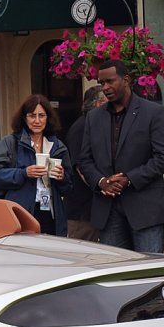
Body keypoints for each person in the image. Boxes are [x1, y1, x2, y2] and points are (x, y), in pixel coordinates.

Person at [78, 59, 164, 253]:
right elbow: (85, 160)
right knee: (115, 274)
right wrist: (101, 181)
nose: (105, 87)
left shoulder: (153, 112)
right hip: (108, 209)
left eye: (110, 81)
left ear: (126, 80)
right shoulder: (93, 117)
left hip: (145, 209)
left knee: (149, 272)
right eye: (101, 83)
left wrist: (129, 179)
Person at [0, 94, 72, 236]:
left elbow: (68, 187)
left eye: (41, 116)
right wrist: (24, 173)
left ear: (48, 118)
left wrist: (62, 177)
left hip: (51, 214)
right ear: (24, 118)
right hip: (19, 214)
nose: (37, 120)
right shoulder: (10, 142)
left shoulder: (57, 146)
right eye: (32, 116)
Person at [64, 86, 106, 241]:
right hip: (83, 211)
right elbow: (82, 167)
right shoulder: (81, 128)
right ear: (98, 104)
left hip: (96, 209)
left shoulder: (97, 126)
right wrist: (104, 186)